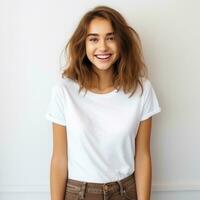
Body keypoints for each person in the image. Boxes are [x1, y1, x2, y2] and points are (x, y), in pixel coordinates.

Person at [45, 5, 161, 200]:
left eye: (110, 37)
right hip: (78, 193)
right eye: (93, 39)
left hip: (125, 192)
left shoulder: (142, 90)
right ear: (83, 44)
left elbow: (143, 156)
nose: (103, 47)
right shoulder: (64, 91)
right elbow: (59, 159)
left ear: (121, 42)